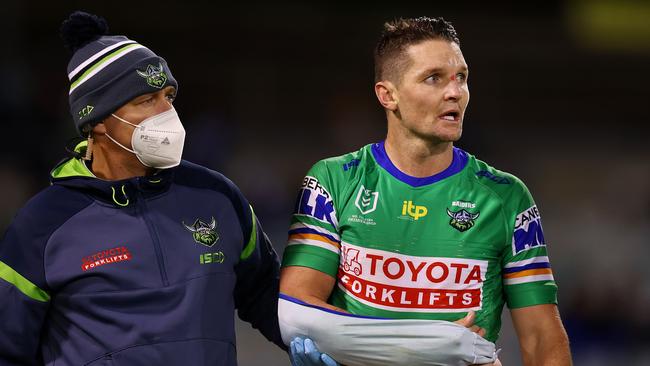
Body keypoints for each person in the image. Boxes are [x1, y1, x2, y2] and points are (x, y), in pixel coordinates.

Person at [0, 11, 332, 366]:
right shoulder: (42, 225)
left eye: (168, 96)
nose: (167, 113)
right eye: (146, 100)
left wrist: (318, 341)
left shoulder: (217, 196)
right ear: (96, 121)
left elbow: (264, 293)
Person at [280, 16, 572, 365]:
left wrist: (359, 343)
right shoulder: (334, 181)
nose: (455, 92)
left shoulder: (507, 198)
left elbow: (542, 340)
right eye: (434, 78)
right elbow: (297, 311)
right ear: (388, 95)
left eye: (461, 77)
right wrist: (434, 344)